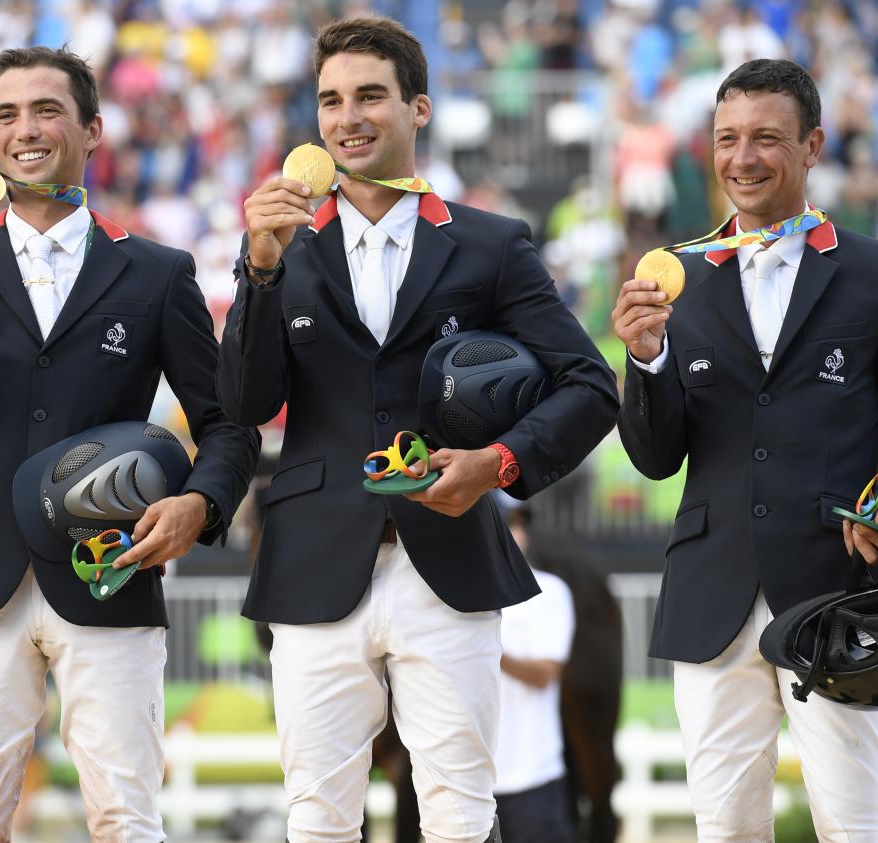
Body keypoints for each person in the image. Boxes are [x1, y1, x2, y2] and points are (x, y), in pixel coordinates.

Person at [218, 16, 618, 842]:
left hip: (451, 561)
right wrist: (257, 269)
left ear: (419, 109)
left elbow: (591, 385)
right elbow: (247, 402)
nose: (348, 116)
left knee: (462, 816)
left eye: (370, 95)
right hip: (313, 566)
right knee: (318, 821)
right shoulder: (280, 247)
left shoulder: (490, 244)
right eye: (330, 100)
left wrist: (498, 462)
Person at [0, 46, 258, 842]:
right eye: (6, 114)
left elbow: (227, 421)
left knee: (127, 819)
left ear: (93, 129)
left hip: (110, 566)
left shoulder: (159, 273)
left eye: (46, 110)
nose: (25, 130)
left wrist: (201, 501)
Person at [612, 58, 878, 841]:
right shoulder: (677, 279)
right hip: (712, 597)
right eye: (727, 138)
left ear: (812, 147)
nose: (743, 157)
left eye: (767, 138)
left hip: (840, 592)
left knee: (855, 826)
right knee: (726, 829)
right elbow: (655, 456)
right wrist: (643, 362)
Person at [491, 501, 576, 843]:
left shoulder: (549, 591)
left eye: (517, 523)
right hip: (468, 780)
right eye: (504, 522)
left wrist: (484, 649)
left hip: (531, 776)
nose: (516, 532)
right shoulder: (449, 596)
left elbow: (545, 673)